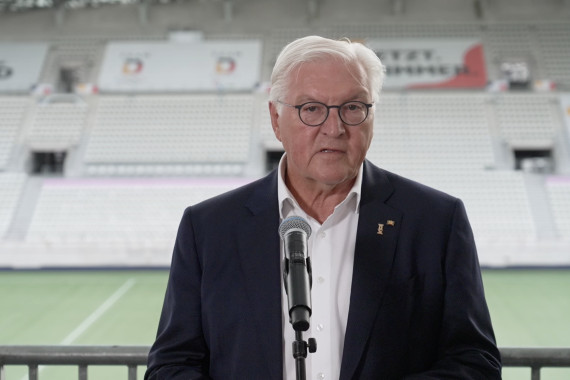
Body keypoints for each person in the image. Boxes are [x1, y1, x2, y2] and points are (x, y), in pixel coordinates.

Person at [145, 35, 502, 379]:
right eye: (311, 108)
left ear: (372, 116)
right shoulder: (208, 227)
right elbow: (172, 365)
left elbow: (475, 362)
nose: (334, 128)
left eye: (353, 107)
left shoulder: (435, 221)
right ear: (275, 119)